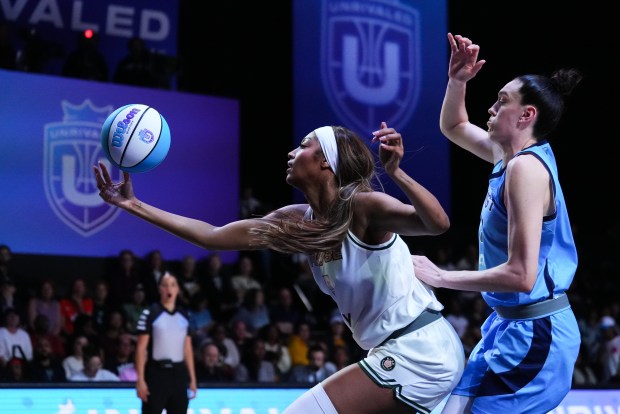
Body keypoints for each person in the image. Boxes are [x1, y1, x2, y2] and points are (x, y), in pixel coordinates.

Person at [93, 121, 465, 413]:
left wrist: (397, 173)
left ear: (325, 162)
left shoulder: (363, 207)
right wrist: (134, 206)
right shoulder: (297, 220)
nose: (292, 151)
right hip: (395, 351)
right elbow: (212, 236)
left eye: (304, 145)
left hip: (419, 350)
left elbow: (437, 223)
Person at [411, 33, 582, 413]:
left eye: (501, 101)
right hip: (507, 325)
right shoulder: (506, 158)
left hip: (537, 334)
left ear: (527, 115)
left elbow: (522, 275)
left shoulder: (526, 169)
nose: (490, 108)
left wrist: (440, 277)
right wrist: (457, 81)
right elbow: (454, 126)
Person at [134, 272, 197, 414]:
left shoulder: (184, 314)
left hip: (179, 374)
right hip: (156, 373)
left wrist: (192, 379)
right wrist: (140, 380)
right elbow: (140, 349)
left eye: (173, 285)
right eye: (165, 285)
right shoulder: (150, 313)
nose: (169, 289)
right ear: (159, 288)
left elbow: (187, 349)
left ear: (178, 289)